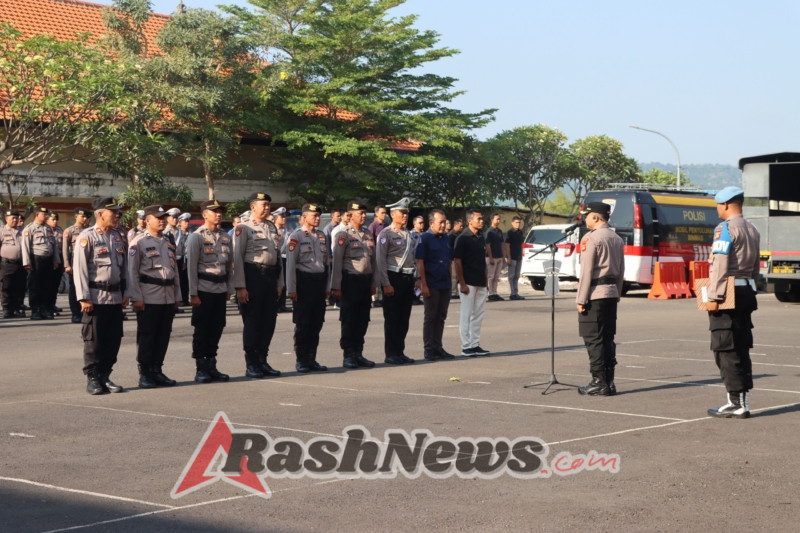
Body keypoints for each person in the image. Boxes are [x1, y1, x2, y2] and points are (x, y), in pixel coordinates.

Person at [705, 186, 760, 419]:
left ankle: (735, 402)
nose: (717, 209)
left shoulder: (724, 228)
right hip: (747, 289)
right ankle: (741, 401)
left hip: (728, 292)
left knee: (725, 348)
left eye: (718, 204)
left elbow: (720, 264)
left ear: (726, 204)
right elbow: (756, 265)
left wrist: (714, 296)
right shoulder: (752, 228)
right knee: (741, 346)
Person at [73, 197, 128, 395]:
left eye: (117, 212)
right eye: (112, 212)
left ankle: (105, 375)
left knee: (113, 339)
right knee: (94, 340)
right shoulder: (86, 237)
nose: (116, 215)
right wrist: (84, 297)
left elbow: (125, 269)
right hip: (95, 297)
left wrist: (126, 292)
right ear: (100, 214)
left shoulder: (118, 236)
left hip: (115, 296)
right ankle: (93, 377)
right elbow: (80, 270)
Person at [128, 205, 182, 389]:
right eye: (158, 217)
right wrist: (136, 297)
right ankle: (145, 373)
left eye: (163, 217)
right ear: (147, 220)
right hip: (149, 296)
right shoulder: (139, 242)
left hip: (167, 296)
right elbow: (132, 273)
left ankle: (157, 370)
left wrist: (177, 295)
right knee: (147, 336)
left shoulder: (167, 241)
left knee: (163, 336)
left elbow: (174, 271)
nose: (162, 220)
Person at [575, 202, 625, 397]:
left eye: (587, 216)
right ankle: (609, 382)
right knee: (607, 339)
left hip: (595, 293)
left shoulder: (591, 238)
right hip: (611, 292)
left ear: (596, 217)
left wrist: (581, 298)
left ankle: (598, 381)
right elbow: (621, 270)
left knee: (593, 339)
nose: (585, 219)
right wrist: (617, 293)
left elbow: (586, 271)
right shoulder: (617, 238)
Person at [232, 192, 283, 379]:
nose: (267, 208)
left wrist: (280, 282)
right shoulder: (243, 228)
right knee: (253, 322)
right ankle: (251, 363)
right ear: (253, 207)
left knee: (269, 321)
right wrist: (240, 286)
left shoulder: (272, 227)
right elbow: (237, 257)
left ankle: (263, 360)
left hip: (270, 278)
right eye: (264, 204)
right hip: (252, 276)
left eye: (269, 205)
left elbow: (278, 258)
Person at [185, 200, 233, 384]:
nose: (219, 214)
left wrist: (229, 288)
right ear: (205, 214)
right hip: (203, 289)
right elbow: (191, 268)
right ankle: (201, 368)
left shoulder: (225, 237)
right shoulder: (196, 237)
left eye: (220, 211)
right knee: (202, 329)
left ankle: (212, 365)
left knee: (217, 327)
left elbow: (229, 266)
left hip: (220, 289)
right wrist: (193, 293)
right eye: (214, 211)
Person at [331, 201, 377, 369]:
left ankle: (358, 353)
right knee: (349, 320)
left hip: (365, 282)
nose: (364, 216)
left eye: (365, 213)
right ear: (350, 215)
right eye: (360, 213)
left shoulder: (367, 234)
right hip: (350, 281)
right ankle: (348, 354)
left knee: (363, 319)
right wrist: (336, 286)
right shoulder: (343, 234)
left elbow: (373, 261)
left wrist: (374, 283)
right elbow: (337, 262)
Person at [286, 203, 330, 373]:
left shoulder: (321, 236)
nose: (317, 218)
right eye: (314, 216)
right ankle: (302, 359)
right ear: (304, 218)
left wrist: (327, 287)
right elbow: (290, 264)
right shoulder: (296, 236)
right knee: (303, 323)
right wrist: (292, 288)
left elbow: (326, 265)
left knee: (316, 323)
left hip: (319, 283)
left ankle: (312, 358)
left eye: (319, 216)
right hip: (304, 283)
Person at [376, 198, 416, 365]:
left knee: (403, 318)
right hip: (394, 277)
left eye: (406, 213)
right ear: (393, 215)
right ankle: (391, 353)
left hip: (407, 278)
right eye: (402, 213)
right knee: (392, 318)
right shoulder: (386, 234)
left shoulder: (408, 234)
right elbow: (381, 260)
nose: (405, 216)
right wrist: (385, 283)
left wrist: (416, 278)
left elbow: (413, 258)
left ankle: (400, 351)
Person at [415, 209, 455, 361]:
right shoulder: (424, 238)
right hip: (431, 283)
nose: (444, 225)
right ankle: (429, 348)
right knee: (431, 316)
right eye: (441, 222)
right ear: (431, 223)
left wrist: (450, 281)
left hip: (444, 282)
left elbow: (448, 260)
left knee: (441, 316)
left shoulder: (445, 238)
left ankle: (438, 346)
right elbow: (420, 261)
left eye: (445, 222)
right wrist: (423, 284)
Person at [453, 209, 490, 356]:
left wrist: (486, 280)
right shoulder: (462, 238)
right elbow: (457, 261)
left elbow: (483, 261)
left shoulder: (481, 237)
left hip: (480, 281)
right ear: (470, 220)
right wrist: (462, 283)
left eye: (482, 219)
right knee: (466, 315)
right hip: (468, 282)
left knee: (478, 314)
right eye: (478, 219)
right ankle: (466, 346)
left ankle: (475, 344)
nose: (481, 221)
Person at [22, 206, 61, 320]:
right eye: (44, 215)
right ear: (37, 215)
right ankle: (35, 310)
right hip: (36, 259)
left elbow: (54, 245)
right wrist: (27, 263)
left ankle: (44, 309)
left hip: (48, 260)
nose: (46, 216)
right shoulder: (29, 229)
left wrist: (56, 260)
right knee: (35, 286)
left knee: (46, 285)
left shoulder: (48, 228)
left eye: (47, 214)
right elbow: (25, 247)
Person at [63, 207, 92, 323]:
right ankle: (75, 313)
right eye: (82, 216)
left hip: (88, 262)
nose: (85, 219)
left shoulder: (90, 230)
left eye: (86, 217)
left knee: (88, 287)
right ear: (76, 217)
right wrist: (67, 265)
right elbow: (65, 250)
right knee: (74, 289)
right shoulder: (69, 231)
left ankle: (86, 311)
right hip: (74, 262)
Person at [0, 209, 26, 318]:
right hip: (6, 264)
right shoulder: (1, 231)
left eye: (16, 218)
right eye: (12, 218)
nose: (15, 220)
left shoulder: (22, 231)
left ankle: (17, 308)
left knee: (19, 287)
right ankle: (7, 309)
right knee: (6, 287)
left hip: (20, 263)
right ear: (6, 219)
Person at [46, 212, 65, 317]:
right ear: (47, 220)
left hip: (59, 260)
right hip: (48, 260)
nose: (55, 221)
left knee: (55, 285)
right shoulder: (45, 230)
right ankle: (46, 307)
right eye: (52, 219)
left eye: (56, 219)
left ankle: (52, 305)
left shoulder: (60, 230)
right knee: (47, 286)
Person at [368, 205, 388, 308]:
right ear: (376, 213)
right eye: (382, 213)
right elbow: (370, 241)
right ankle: (376, 298)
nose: (384, 215)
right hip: (376, 255)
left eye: (385, 213)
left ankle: (382, 297)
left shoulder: (387, 226)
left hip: (385, 255)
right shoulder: (373, 226)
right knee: (376, 277)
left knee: (383, 276)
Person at [485, 213, 506, 301]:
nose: (498, 221)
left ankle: (495, 292)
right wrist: (490, 257)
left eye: (499, 219)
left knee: (496, 276)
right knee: (491, 276)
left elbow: (502, 244)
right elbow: (488, 245)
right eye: (497, 219)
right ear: (492, 220)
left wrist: (503, 256)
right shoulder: (489, 232)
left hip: (499, 256)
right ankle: (490, 294)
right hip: (491, 257)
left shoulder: (499, 231)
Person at [273, 207, 291, 313]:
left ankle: (282, 304)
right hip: (275, 259)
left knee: (284, 282)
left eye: (285, 216)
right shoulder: (272, 229)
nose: (284, 218)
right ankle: (275, 304)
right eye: (282, 216)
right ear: (275, 218)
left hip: (285, 259)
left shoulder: (287, 230)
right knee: (276, 283)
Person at [505, 216, 525, 301]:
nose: (518, 224)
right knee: (511, 276)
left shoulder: (520, 232)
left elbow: (521, 244)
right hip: (512, 257)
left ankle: (516, 292)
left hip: (518, 257)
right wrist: (509, 257)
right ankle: (511, 293)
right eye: (516, 222)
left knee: (517, 276)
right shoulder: (510, 233)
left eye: (519, 222)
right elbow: (507, 245)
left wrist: (521, 255)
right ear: (512, 223)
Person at [177, 212, 192, 307]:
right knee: (180, 280)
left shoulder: (191, 233)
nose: (187, 223)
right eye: (185, 221)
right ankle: (181, 299)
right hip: (180, 259)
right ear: (180, 223)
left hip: (189, 259)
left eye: (188, 221)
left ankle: (186, 299)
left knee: (187, 280)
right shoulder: (178, 233)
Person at [449, 219, 464, 298]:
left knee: (458, 275)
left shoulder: (460, 235)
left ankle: (457, 292)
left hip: (459, 258)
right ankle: (453, 292)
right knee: (454, 276)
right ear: (455, 225)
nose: (461, 227)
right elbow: (450, 248)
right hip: (453, 258)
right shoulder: (451, 235)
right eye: (460, 226)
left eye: (462, 226)